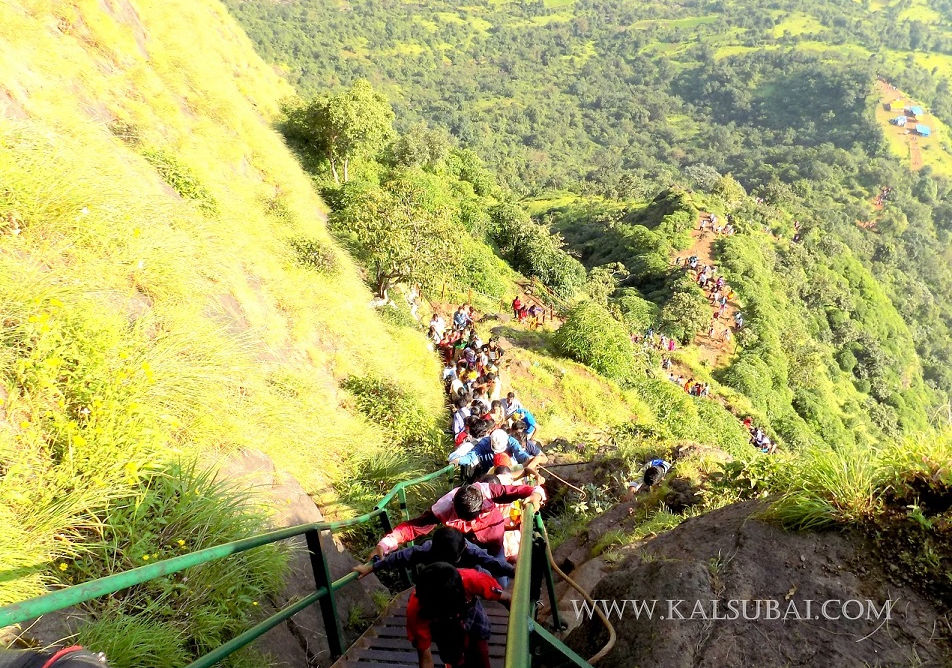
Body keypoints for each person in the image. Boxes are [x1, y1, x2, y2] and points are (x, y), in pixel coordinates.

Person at [373, 482, 544, 558]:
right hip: (467, 548)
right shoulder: (443, 508)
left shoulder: (487, 492)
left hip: (494, 543)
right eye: (465, 520)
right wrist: (385, 544)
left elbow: (522, 490)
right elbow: (414, 527)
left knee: (501, 580)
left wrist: (536, 494)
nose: (471, 524)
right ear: (454, 507)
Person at [407, 563, 510, 668]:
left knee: (480, 649)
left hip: (470, 612)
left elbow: (507, 598)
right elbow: (425, 659)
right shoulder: (417, 611)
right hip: (442, 627)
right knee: (453, 657)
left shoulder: (472, 580)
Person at [354, 526, 513, 583]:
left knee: (483, 577)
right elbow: (401, 556)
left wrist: (514, 572)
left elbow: (492, 562)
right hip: (443, 577)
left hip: (469, 576)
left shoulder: (471, 551)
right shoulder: (428, 549)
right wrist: (373, 567)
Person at [450, 428, 546, 477]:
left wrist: (529, 460)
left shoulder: (512, 442)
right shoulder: (484, 443)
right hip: (487, 470)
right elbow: (471, 456)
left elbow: (520, 454)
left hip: (507, 469)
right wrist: (459, 460)